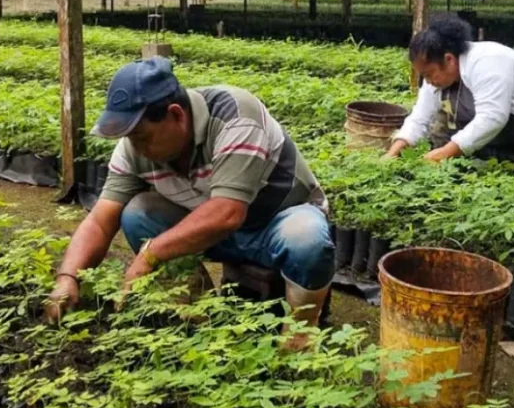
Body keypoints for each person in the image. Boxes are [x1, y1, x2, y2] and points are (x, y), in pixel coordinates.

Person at [45, 56, 334, 348]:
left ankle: (299, 340)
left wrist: (150, 254)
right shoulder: (134, 148)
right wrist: (68, 276)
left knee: (307, 238)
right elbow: (100, 220)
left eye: (142, 137)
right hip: (215, 234)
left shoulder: (235, 116)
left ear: (176, 115)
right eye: (130, 138)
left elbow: (227, 212)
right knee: (137, 214)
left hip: (274, 224)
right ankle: (201, 321)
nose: (136, 147)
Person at [386, 14, 514, 177]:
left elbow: (493, 117)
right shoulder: (439, 78)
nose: (428, 81)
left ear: (448, 59)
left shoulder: (488, 60)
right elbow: (419, 118)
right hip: (493, 143)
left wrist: (445, 153)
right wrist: (395, 150)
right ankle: (477, 173)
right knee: (440, 123)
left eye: (429, 74)